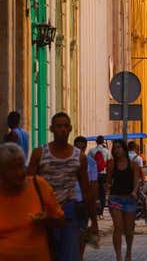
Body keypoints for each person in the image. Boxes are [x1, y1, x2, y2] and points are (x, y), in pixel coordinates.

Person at [0, 143, 64, 261]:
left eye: (21, 166)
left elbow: (60, 221)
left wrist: (47, 219)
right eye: (12, 168)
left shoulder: (39, 186)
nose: (19, 172)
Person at [28, 112, 97, 261]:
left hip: (68, 212)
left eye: (66, 126)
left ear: (70, 129)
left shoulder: (79, 157)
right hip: (43, 213)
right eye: (59, 126)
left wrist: (94, 222)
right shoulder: (39, 154)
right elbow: (28, 187)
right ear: (51, 129)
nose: (63, 129)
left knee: (69, 256)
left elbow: (86, 191)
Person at [107, 139, 141, 261]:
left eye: (119, 147)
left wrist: (134, 191)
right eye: (115, 148)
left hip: (129, 199)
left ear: (124, 149)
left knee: (129, 229)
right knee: (118, 226)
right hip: (115, 198)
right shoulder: (111, 164)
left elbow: (136, 180)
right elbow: (108, 181)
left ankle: (128, 251)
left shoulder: (133, 164)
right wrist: (107, 195)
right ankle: (118, 256)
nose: (117, 150)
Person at [73, 136, 99, 260]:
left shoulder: (91, 163)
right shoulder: (68, 161)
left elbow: (94, 185)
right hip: (70, 201)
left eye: (82, 147)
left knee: (82, 231)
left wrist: (94, 202)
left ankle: (80, 256)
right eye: (78, 147)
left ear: (85, 147)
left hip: (84, 201)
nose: (80, 150)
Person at [88, 136, 111, 217]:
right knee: (102, 193)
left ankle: (95, 212)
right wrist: (109, 177)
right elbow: (109, 165)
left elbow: (89, 163)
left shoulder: (91, 151)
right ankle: (101, 213)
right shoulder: (107, 151)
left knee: (94, 193)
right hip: (103, 174)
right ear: (103, 142)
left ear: (96, 142)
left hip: (94, 175)